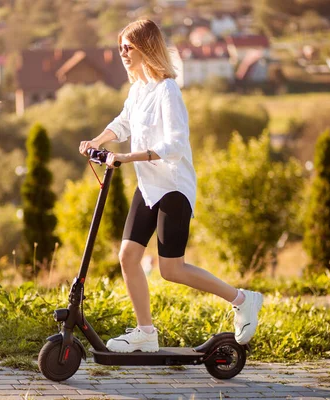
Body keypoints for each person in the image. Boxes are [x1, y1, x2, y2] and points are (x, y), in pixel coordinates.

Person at [79, 19, 263, 353]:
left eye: (128, 47)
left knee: (171, 269)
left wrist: (128, 157)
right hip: (148, 186)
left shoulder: (167, 90)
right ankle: (146, 333)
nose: (122, 53)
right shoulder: (138, 90)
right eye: (120, 47)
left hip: (173, 188)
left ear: (146, 47)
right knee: (128, 257)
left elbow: (175, 145)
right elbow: (122, 123)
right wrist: (97, 140)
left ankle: (243, 299)